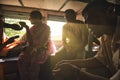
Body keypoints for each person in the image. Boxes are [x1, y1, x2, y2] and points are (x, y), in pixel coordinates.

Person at [52, 0, 119, 80]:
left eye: (91, 18)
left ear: (110, 11)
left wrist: (76, 73)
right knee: (86, 70)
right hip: (71, 49)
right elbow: (99, 60)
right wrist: (70, 62)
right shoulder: (105, 36)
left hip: (79, 49)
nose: (88, 27)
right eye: (86, 22)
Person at [17, 10, 55, 80]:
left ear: (37, 17)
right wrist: (27, 28)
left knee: (35, 62)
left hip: (42, 48)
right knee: (21, 59)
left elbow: (43, 42)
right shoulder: (32, 28)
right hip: (32, 48)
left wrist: (35, 49)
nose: (29, 19)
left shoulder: (46, 28)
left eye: (30, 17)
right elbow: (30, 42)